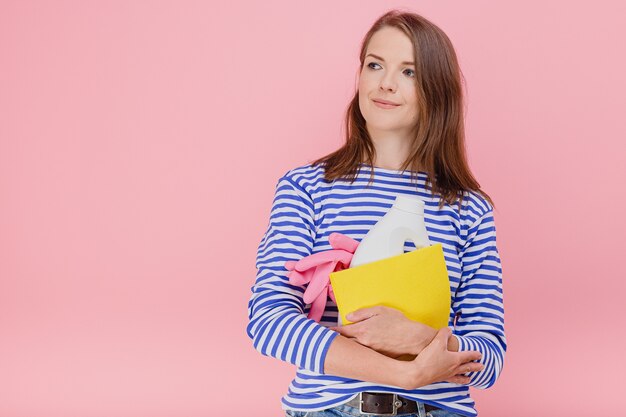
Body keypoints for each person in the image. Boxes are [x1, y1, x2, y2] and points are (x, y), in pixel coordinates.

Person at [246, 9, 506, 417]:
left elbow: (490, 358)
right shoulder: (306, 187)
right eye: (375, 64)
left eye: (409, 72)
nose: (385, 82)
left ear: (437, 91)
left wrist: (420, 338)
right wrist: (399, 373)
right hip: (329, 409)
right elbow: (268, 321)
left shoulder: (468, 208)